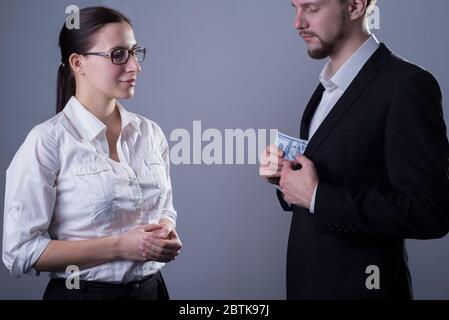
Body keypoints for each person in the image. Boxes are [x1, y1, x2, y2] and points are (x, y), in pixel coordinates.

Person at [259, 0, 449, 299]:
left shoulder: (407, 85)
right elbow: (337, 173)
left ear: (356, 6)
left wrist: (317, 197)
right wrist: (287, 179)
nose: (298, 23)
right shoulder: (326, 88)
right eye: (294, 8)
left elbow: (431, 211)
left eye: (312, 8)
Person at [2, 6, 182, 300]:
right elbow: (20, 252)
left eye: (136, 52)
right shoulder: (47, 142)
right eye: (119, 54)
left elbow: (165, 208)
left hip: (153, 292)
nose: (135, 66)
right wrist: (122, 246)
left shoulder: (151, 134)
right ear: (78, 63)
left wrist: (165, 229)